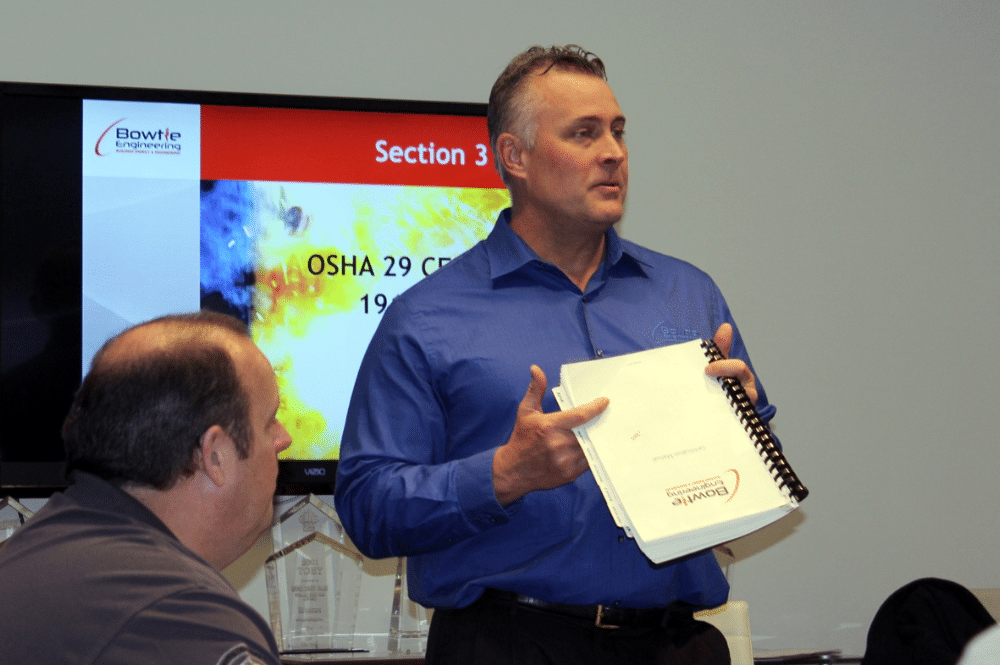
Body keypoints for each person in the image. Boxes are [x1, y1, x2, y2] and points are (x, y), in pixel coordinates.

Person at [334, 44, 772, 665]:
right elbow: (367, 507)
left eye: (618, 131)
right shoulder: (426, 318)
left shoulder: (689, 294)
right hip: (510, 644)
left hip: (675, 643)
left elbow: (757, 475)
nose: (613, 152)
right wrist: (504, 475)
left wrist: (740, 432)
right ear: (515, 156)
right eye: (584, 133)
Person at [0, 311, 291, 665]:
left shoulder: (32, 554)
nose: (284, 439)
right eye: (269, 421)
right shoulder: (178, 614)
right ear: (215, 455)